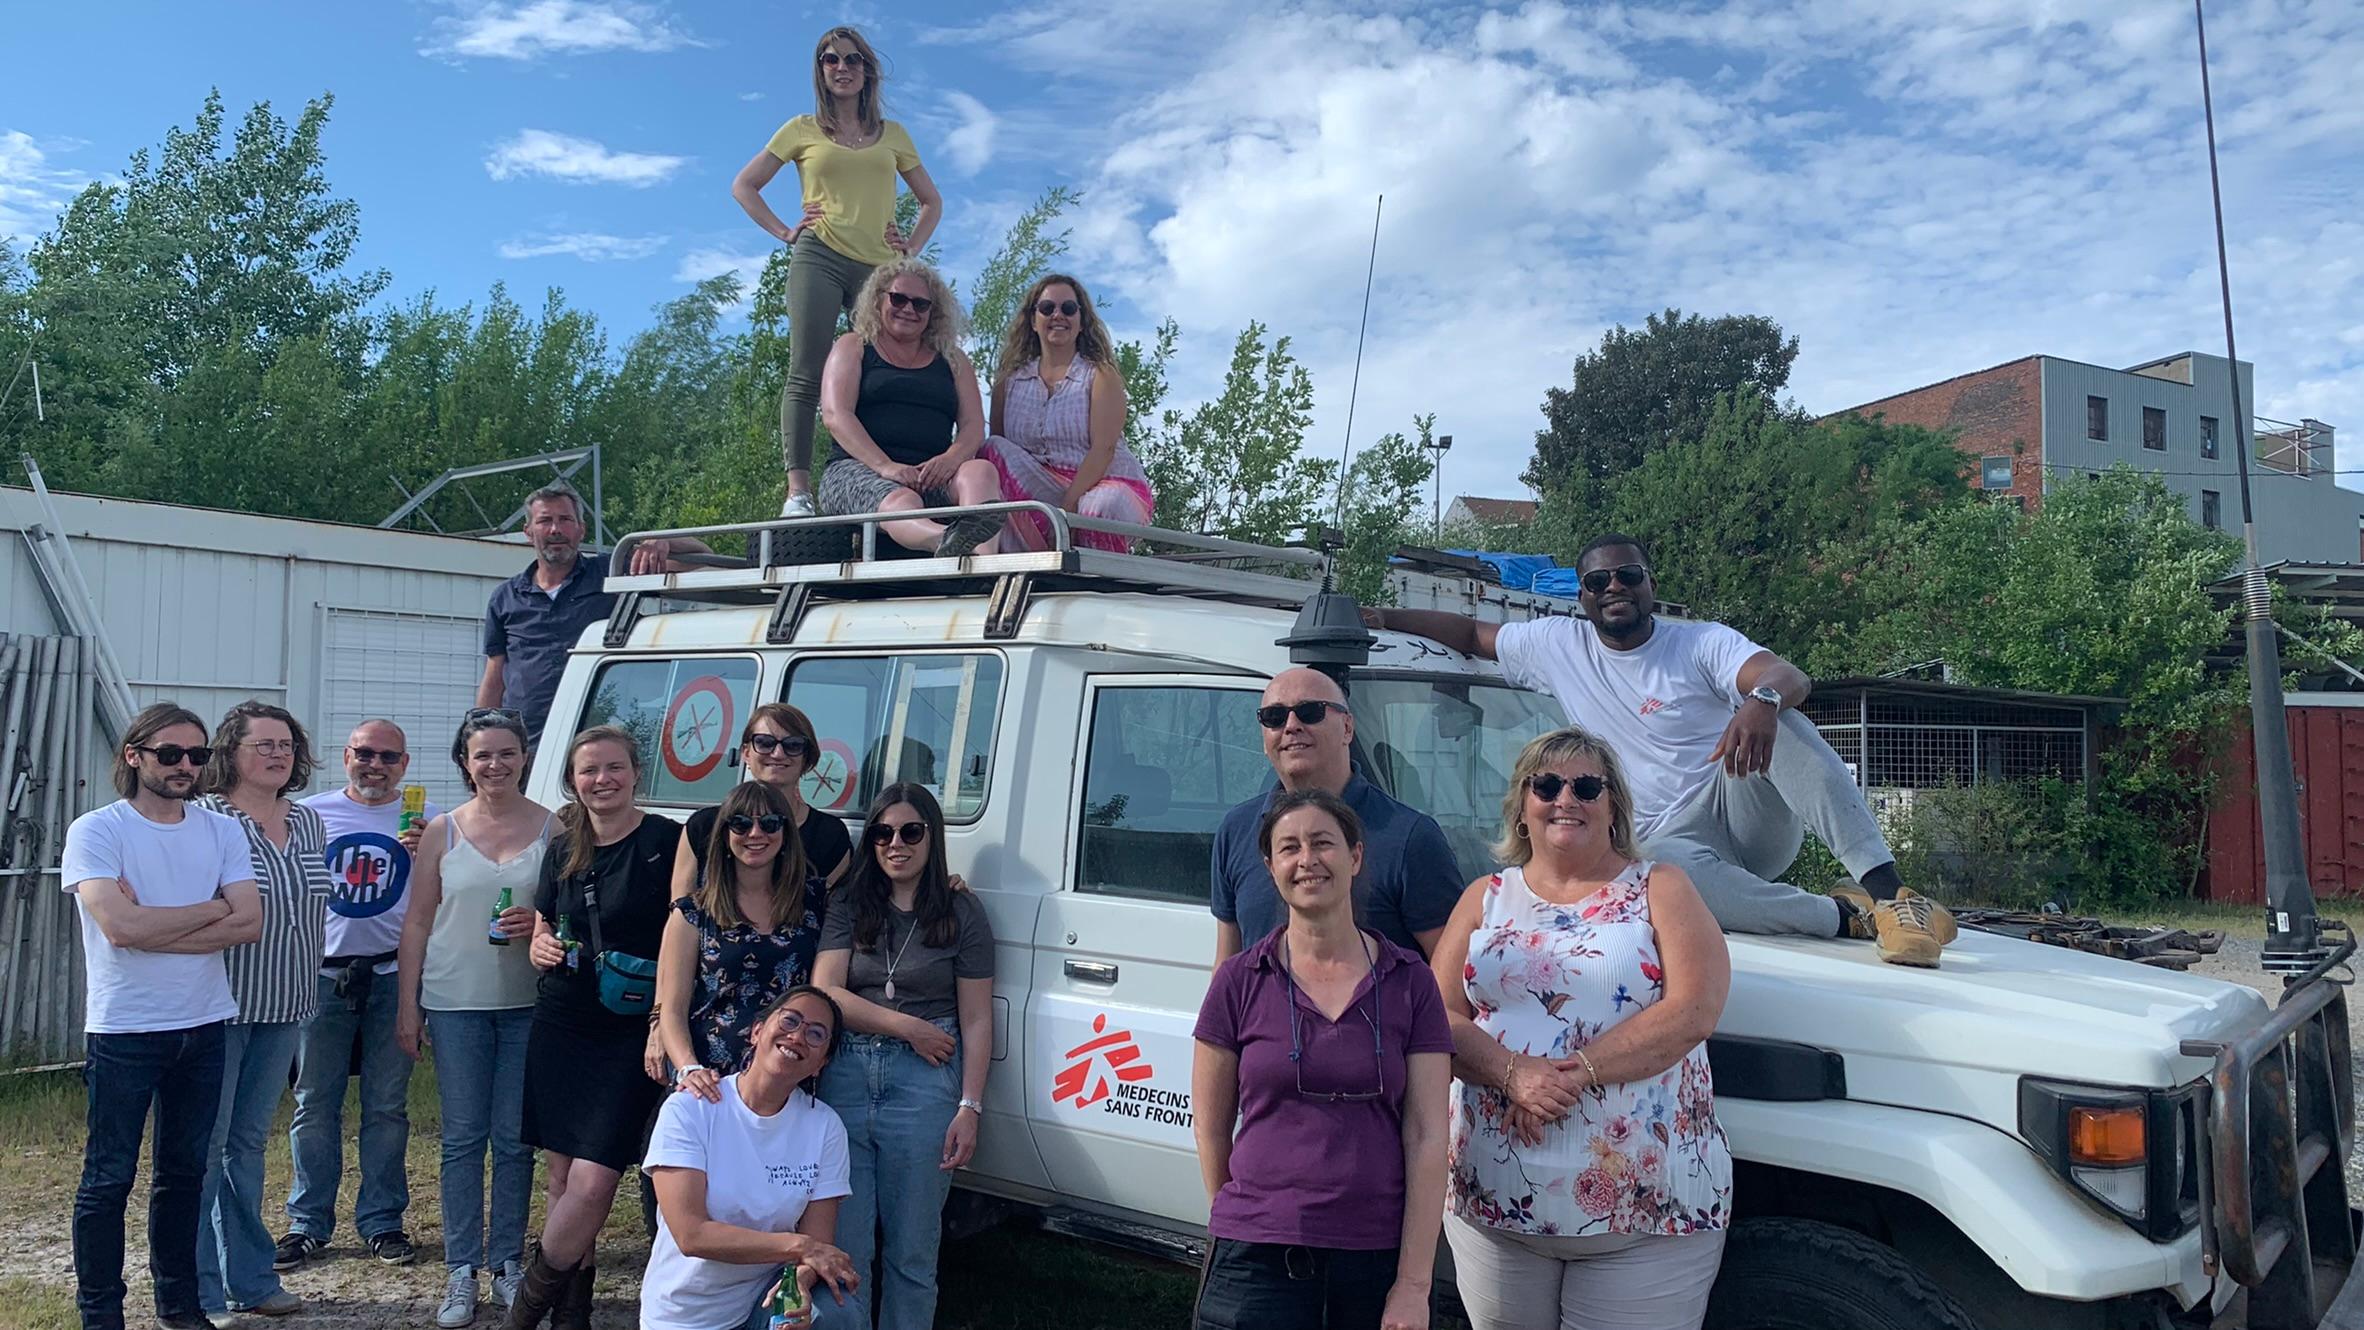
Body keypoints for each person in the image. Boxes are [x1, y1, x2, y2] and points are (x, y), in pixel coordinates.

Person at [1368, 534, 1957, 967]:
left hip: (1738, 803)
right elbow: (1473, 636)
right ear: (1583, 596)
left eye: (1627, 576)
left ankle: (1890, 893)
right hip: (1667, 841)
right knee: (1663, 879)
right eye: (1598, 582)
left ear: (1650, 583)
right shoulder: (1558, 644)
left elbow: (1786, 673)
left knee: (1784, 721)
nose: (1613, 588)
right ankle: (1844, 915)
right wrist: (1379, 617)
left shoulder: (1699, 643)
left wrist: (1764, 701)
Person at [1430, 728, 1733, 1330]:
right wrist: (1512, 1075)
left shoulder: (1660, 888)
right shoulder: (1483, 899)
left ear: (1613, 806)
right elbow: (1436, 1015)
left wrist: (1564, 1076)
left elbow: (1695, 1008)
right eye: (1546, 784)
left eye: (1587, 786)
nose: (1565, 797)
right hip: (1494, 1207)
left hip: (1647, 1214)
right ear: (1522, 806)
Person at [1191, 789, 1451, 1330]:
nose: (1307, 859)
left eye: (1323, 843)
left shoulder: (1411, 983)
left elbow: (1428, 1134)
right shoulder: (1239, 981)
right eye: (1289, 848)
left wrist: (1413, 1285)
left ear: (1355, 857)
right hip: (1256, 1258)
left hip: (1373, 1253)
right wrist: (1239, 1221)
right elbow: (1211, 1129)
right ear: (1271, 867)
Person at [62, 703, 261, 1330]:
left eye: (197, 756)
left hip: (204, 1024)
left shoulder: (221, 830)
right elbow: (119, 928)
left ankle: (180, 1308)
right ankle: (102, 1315)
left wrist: (156, 924)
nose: (185, 767)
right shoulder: (97, 830)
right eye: (170, 754)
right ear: (134, 756)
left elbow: (250, 922)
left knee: (184, 1175)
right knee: (108, 1179)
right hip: (124, 1028)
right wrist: (209, 909)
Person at [507, 726, 680, 1330]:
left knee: (594, 1176)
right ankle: (571, 1311)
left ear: (636, 773)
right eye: (588, 771)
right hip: (563, 1018)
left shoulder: (667, 841)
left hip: (631, 1026)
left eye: (614, 768)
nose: (601, 780)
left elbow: (689, 930)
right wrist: (538, 941)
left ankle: (526, 1307)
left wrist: (665, 1019)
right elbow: (546, 919)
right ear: (572, 780)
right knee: (560, 1173)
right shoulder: (564, 843)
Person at [732, 25, 942, 519]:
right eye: (831, 60)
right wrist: (785, 231)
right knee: (809, 369)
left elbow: (931, 201)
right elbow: (745, 185)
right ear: (820, 70)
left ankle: (884, 472)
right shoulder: (801, 129)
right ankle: (799, 492)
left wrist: (910, 247)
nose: (841, 68)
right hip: (820, 255)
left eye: (851, 60)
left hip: (881, 271)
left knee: (884, 368)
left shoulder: (893, 135)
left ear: (867, 70)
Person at [810, 784, 994, 1330]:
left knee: (913, 1252)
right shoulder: (849, 903)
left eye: (911, 831)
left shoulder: (962, 912)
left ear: (932, 838)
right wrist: (906, 1026)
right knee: (845, 1243)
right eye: (883, 833)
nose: (896, 844)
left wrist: (971, 1106)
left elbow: (978, 1017)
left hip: (927, 1082)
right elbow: (827, 992)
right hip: (848, 1072)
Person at [395, 709, 550, 1327]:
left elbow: (565, 915)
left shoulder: (554, 827)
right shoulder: (442, 830)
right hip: (454, 1000)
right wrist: (407, 1004)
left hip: (529, 1003)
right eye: (483, 755)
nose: (495, 765)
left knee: (514, 1141)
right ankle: (462, 1270)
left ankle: (508, 1262)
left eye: (507, 753)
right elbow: (416, 921)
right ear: (466, 762)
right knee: (462, 1140)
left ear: (523, 758)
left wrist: (537, 924)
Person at [192, 702, 332, 1323]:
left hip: (288, 1005)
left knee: (247, 1146)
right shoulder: (205, 818)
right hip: (217, 1008)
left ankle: (250, 1280)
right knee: (204, 1147)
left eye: (286, 745)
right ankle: (198, 1288)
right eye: (263, 744)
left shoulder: (307, 822)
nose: (277, 754)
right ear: (231, 751)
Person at [278, 720, 433, 1271]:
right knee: (314, 1102)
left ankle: (383, 1220)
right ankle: (307, 1222)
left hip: (393, 975)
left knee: (387, 1106)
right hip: (320, 976)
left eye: (389, 757)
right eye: (364, 754)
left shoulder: (429, 820)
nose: (375, 765)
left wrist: (425, 854)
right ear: (344, 756)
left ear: (405, 764)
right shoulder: (307, 815)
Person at [642, 986, 863, 1330]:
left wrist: (800, 1283)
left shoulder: (825, 1127)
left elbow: (817, 1244)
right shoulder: (691, 1108)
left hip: (763, 1303)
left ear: (822, 1064)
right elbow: (691, 1235)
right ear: (757, 1031)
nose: (798, 1035)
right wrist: (798, 1247)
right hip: (686, 1315)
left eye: (816, 1034)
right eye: (790, 1020)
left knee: (836, 1315)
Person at [1211, 668, 1464, 964]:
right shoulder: (1236, 830)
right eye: (1274, 717)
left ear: (1347, 728)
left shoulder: (1411, 838)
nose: (1291, 725)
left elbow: (1451, 986)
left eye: (1310, 712)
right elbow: (1227, 968)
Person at [476, 483, 698, 744]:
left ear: (582, 529)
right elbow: (494, 678)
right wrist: (480, 737)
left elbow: (701, 557)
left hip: (597, 743)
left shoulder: (613, 574)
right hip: (526, 746)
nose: (555, 529)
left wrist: (663, 543)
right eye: (545, 520)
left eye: (565, 519)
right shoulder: (505, 597)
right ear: (528, 532)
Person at [815, 259, 1005, 556]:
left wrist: (951, 459)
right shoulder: (854, 346)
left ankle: (985, 563)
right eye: (899, 298)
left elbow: (972, 426)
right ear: (879, 299)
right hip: (859, 471)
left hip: (929, 476)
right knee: (903, 500)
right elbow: (836, 415)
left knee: (980, 471)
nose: (908, 309)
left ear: (933, 312)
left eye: (920, 304)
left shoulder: (952, 360)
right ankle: (950, 543)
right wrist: (886, 466)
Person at [657, 781, 827, 1102]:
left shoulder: (816, 901)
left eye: (770, 823)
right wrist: (688, 1068)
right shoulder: (693, 912)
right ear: (724, 834)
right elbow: (673, 1009)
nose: (755, 833)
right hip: (711, 1084)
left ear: (786, 832)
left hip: (787, 1084)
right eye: (741, 823)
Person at [982, 272, 1154, 552]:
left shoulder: (1099, 375)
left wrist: (1068, 508)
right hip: (1040, 484)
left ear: (1082, 321)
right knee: (991, 449)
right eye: (1047, 308)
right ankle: (1017, 563)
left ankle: (1098, 582)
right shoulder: (1009, 381)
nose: (1058, 315)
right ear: (1033, 320)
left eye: (1069, 308)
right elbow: (1001, 454)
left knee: (1097, 507)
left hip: (1101, 483)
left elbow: (1104, 448)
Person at [671, 703, 856, 902]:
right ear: (746, 753)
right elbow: (680, 907)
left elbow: (834, 919)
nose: (778, 753)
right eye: (765, 742)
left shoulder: (830, 835)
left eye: (793, 745)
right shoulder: (703, 826)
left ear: (808, 758)